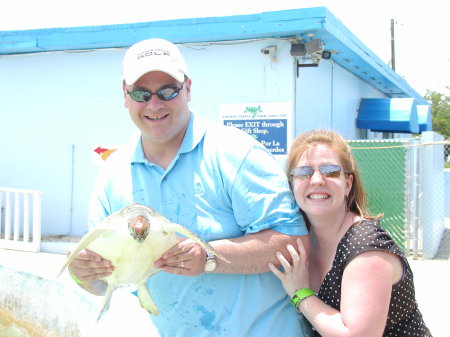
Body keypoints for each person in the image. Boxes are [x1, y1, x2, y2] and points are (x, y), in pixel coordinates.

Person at [66, 38, 310, 337]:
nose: (154, 104)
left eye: (168, 91)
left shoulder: (236, 153)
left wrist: (209, 257)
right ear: (125, 96)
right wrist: (84, 275)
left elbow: (293, 244)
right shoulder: (112, 175)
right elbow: (106, 280)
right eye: (141, 93)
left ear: (189, 89)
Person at [269, 130, 432, 336]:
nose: (317, 180)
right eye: (304, 172)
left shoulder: (366, 247)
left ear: (347, 184)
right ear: (292, 185)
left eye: (330, 171)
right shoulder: (302, 238)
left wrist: (299, 292)